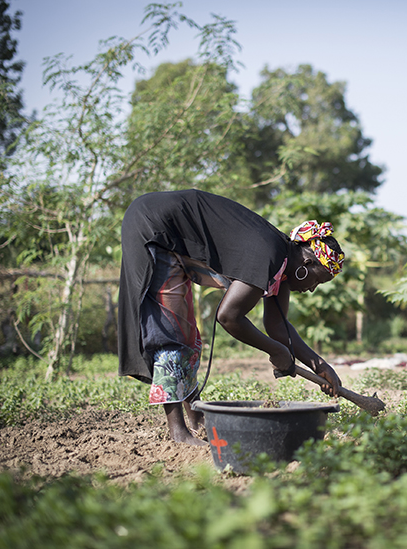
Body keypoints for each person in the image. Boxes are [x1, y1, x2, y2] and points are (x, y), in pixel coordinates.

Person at [117, 189, 344, 446]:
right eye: (317, 279)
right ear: (306, 263)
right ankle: (178, 432)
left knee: (189, 338)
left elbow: (277, 324)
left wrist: (319, 365)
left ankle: (197, 419)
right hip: (154, 226)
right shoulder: (269, 255)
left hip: (171, 234)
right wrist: (276, 350)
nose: (313, 288)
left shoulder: (281, 264)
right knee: (172, 334)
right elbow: (228, 317)